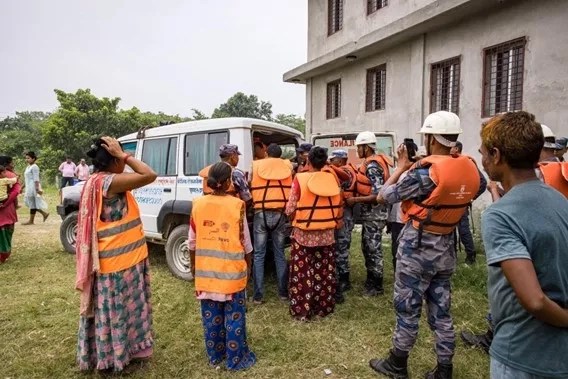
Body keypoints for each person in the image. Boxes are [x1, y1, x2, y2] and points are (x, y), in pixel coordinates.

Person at [370, 111, 484, 379]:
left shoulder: (424, 173)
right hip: (446, 245)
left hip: (417, 248)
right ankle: (445, 369)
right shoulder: (469, 168)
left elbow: (383, 196)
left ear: (431, 138)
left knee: (408, 306)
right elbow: (475, 188)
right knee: (441, 308)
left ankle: (397, 363)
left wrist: (400, 167)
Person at [478, 111, 568, 378]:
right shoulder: (559, 201)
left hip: (521, 353)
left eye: (483, 152)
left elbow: (535, 301)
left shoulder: (500, 214)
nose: (482, 160)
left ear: (496, 155)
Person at [75, 137, 157, 372]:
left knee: (118, 311)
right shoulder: (109, 182)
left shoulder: (95, 180)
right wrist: (126, 156)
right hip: (117, 263)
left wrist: (120, 155)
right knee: (117, 313)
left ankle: (128, 350)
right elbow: (149, 175)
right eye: (119, 159)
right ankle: (115, 358)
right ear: (113, 161)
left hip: (123, 259)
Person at [189, 162, 256, 371]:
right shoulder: (237, 205)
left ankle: (215, 355)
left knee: (211, 319)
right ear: (228, 182)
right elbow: (246, 243)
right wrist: (249, 267)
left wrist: (193, 268)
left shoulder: (197, 204)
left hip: (206, 275)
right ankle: (235, 359)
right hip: (232, 275)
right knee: (234, 319)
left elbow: (192, 241)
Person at [285, 146, 342, 321]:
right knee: (324, 271)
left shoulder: (299, 179)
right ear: (325, 162)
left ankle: (303, 310)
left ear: (308, 161)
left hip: (304, 235)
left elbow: (290, 208)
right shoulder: (332, 179)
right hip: (327, 234)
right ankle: (322, 307)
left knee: (303, 272)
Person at [345, 131, 391, 296]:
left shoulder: (372, 166)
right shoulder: (372, 163)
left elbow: (378, 196)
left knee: (373, 249)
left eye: (359, 147)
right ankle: (371, 281)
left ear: (366, 147)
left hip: (374, 215)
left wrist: (355, 201)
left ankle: (376, 286)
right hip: (372, 215)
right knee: (368, 247)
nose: (357, 150)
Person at [250, 143, 292, 304]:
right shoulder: (287, 167)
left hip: (261, 213)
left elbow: (249, 184)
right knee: (279, 254)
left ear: (266, 153)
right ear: (280, 155)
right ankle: (283, 293)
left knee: (259, 255)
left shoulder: (257, 164)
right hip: (280, 214)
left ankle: (258, 296)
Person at [328, 149, 356, 303]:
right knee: (339, 247)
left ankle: (344, 279)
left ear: (339, 161)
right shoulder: (341, 171)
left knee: (342, 247)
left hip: (345, 215)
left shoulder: (346, 173)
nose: (330, 163)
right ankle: (340, 276)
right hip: (340, 214)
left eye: (332, 160)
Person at [450, 140, 478, 265]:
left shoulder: (467, 162)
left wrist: (471, 197)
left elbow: (481, 182)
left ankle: (471, 256)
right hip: (451, 203)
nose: (449, 149)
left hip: (461, 203)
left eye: (451, 147)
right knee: (450, 231)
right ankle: (453, 256)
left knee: (463, 231)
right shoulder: (451, 162)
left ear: (456, 149)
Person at [199, 144, 252, 208]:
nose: (238, 158)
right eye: (237, 156)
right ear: (232, 156)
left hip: (211, 209)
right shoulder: (237, 173)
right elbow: (246, 198)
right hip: (231, 210)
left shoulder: (210, 170)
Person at [0, 156, 21, 263]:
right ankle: (4, 253)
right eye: (12, 163)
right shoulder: (10, 175)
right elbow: (16, 191)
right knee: (7, 232)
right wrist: (6, 203)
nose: (13, 165)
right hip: (7, 209)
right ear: (6, 164)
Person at [22, 151, 49, 225]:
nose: (27, 160)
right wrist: (22, 187)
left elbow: (36, 179)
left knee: (32, 203)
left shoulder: (35, 167)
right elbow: (26, 178)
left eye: (28, 158)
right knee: (32, 203)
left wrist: (37, 189)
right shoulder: (28, 167)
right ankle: (44, 214)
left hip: (33, 187)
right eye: (26, 158)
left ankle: (32, 220)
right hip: (28, 187)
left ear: (33, 159)